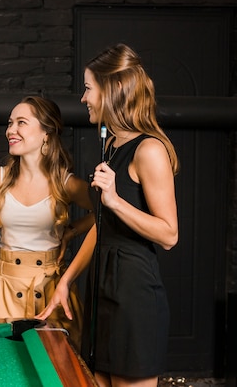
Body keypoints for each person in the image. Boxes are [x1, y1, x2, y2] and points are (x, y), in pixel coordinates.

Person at [38, 43, 179, 387]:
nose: (84, 98)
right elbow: (103, 228)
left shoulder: (149, 149)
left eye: (88, 88)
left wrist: (115, 200)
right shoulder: (112, 145)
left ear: (111, 90)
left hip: (134, 296)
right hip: (102, 289)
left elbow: (169, 235)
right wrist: (67, 281)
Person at [0, 96, 94, 349]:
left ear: (46, 133)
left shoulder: (66, 183)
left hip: (52, 292)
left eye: (21, 123)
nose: (11, 130)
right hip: (5, 287)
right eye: (10, 123)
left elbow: (107, 213)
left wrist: (74, 231)